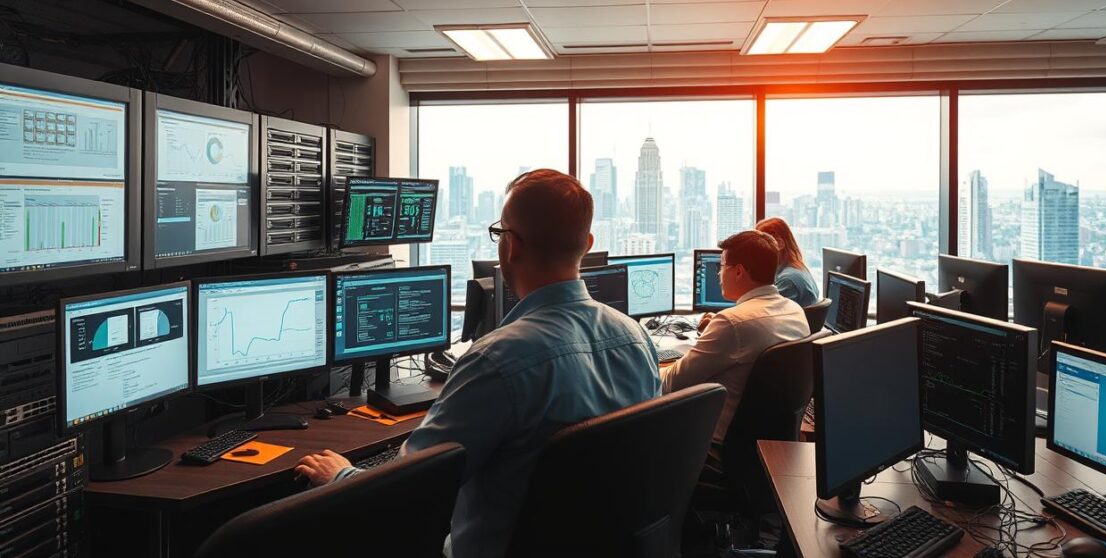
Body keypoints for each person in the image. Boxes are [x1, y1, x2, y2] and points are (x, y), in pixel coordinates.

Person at [295, 169, 661, 558]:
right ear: (586, 244)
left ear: (510, 247)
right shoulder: (636, 339)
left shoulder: (496, 361)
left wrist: (342, 476)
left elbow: (407, 493)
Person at [661, 230, 809, 442]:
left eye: (721, 267)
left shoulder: (732, 323)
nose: (718, 275)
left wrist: (649, 365)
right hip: (768, 443)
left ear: (738, 272)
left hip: (713, 444)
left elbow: (671, 385)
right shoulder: (795, 311)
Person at [755, 217, 820, 307]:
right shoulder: (796, 269)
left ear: (779, 244)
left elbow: (766, 312)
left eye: (760, 244)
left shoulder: (787, 280)